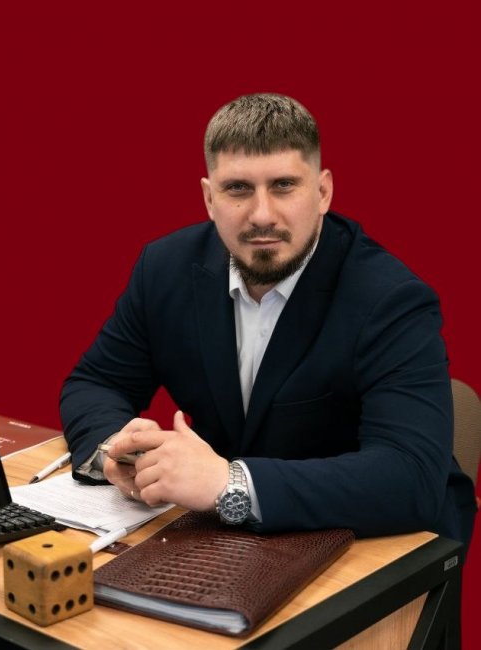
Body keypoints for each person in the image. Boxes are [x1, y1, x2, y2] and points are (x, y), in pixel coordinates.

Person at [60, 93, 476, 550]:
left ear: (323, 192)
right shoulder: (164, 268)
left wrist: (230, 482)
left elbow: (409, 477)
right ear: (209, 198)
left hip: (375, 543)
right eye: (238, 188)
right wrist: (117, 451)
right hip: (225, 539)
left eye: (283, 186)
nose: (262, 215)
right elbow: (96, 382)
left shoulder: (391, 299)